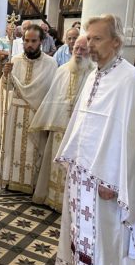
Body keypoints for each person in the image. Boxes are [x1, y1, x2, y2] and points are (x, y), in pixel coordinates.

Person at [55, 14, 135, 265]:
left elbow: (130, 137)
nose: (89, 44)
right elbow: (83, 123)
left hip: (108, 178)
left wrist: (115, 180)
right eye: (89, 37)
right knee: (82, 230)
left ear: (116, 42)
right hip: (83, 173)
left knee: (106, 233)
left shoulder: (129, 79)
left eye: (97, 38)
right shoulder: (93, 75)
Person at [29, 35, 94, 211]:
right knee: (54, 164)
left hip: (79, 131)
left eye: (83, 49)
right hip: (59, 127)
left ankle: (69, 203)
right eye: (76, 48)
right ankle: (51, 198)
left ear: (90, 51)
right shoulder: (62, 70)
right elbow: (52, 97)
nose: (78, 52)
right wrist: (48, 119)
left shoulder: (93, 74)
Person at [0, 24, 57, 194]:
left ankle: (33, 184)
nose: (29, 44)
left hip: (37, 113)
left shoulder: (50, 64)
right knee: (13, 148)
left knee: (34, 150)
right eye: (26, 40)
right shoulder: (14, 61)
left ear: (41, 41)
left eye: (33, 41)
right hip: (15, 112)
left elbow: (52, 93)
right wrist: (5, 75)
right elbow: (7, 88)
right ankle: (11, 180)